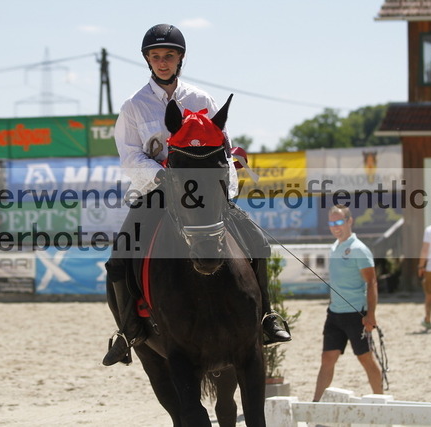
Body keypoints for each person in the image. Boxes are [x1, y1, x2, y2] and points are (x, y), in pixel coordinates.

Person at [102, 23, 291, 367]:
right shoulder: (133, 106)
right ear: (148, 60)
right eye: (156, 56)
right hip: (155, 193)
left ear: (180, 58)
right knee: (118, 258)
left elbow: (224, 151)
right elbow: (130, 157)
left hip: (204, 195)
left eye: (169, 56)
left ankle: (266, 316)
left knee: (257, 241)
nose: (162, 62)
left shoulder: (202, 100)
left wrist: (225, 194)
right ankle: (128, 331)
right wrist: (166, 177)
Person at [313, 205, 382, 402]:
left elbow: (371, 282)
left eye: (339, 222)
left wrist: (371, 315)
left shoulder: (359, 249)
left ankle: (382, 402)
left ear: (349, 221)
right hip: (334, 314)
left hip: (356, 314)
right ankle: (316, 404)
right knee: (327, 359)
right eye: (331, 223)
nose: (335, 226)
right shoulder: (334, 247)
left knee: (365, 358)